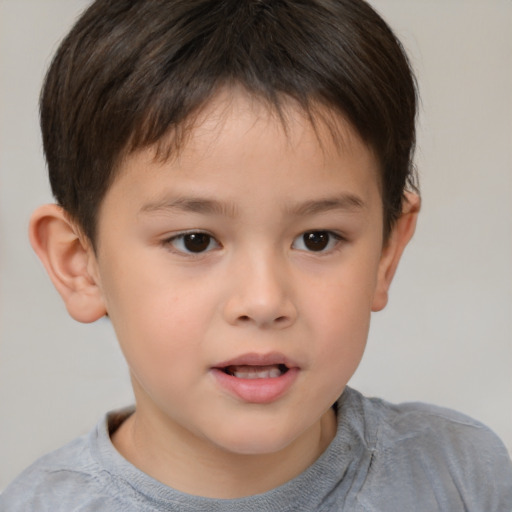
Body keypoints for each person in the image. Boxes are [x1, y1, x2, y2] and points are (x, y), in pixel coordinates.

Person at [1, 0, 511, 510]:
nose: (264, 301)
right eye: (195, 241)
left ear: (386, 252)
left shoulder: (462, 477)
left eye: (317, 239)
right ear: (79, 265)